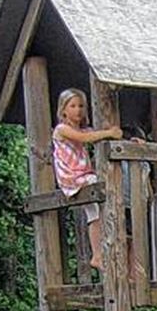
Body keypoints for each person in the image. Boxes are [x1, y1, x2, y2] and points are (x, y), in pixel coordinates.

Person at [52, 88, 122, 271]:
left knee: (95, 214)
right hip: (72, 177)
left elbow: (94, 134)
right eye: (73, 106)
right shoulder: (61, 129)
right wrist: (109, 133)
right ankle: (97, 255)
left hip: (84, 175)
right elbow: (87, 138)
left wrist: (124, 138)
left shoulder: (85, 129)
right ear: (64, 110)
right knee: (98, 195)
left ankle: (99, 253)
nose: (78, 110)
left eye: (81, 106)